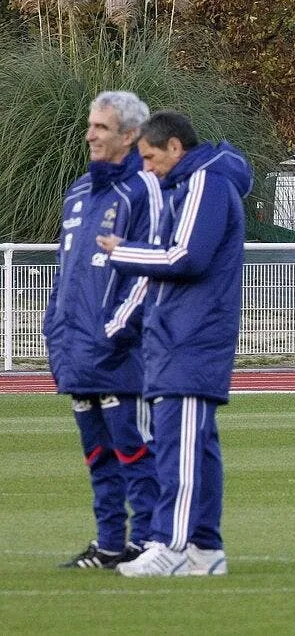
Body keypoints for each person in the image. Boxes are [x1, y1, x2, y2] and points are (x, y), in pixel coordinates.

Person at [96, 110, 252, 577]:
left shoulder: (206, 183)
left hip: (191, 337)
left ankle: (172, 544)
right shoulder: (186, 187)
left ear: (175, 147)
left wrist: (122, 251)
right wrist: (121, 326)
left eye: (150, 158)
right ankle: (204, 549)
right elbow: (166, 267)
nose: (147, 168)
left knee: (177, 448)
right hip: (177, 337)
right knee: (195, 448)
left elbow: (185, 258)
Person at [44, 90, 160, 570]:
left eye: (101, 127)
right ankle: (110, 544)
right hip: (74, 347)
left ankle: (150, 545)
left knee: (134, 449)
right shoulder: (78, 191)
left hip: (120, 350)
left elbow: (147, 273)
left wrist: (115, 330)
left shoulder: (144, 191)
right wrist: (54, 330)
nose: (90, 134)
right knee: (97, 454)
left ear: (129, 136)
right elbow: (66, 270)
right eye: (91, 125)